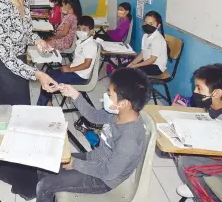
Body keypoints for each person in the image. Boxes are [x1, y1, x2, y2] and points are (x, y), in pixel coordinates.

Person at [0, 0, 58, 199]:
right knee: (14, 123)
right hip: (2, 68)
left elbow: (25, 32)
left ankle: (10, 172)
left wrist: (38, 40)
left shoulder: (22, 1)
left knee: (19, 119)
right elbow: (5, 56)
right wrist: (37, 74)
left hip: (16, 65)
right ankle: (22, 180)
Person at [36, 67, 150, 202]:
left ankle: (47, 192)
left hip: (104, 179)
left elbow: (109, 172)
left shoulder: (129, 139)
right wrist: (74, 93)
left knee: (44, 186)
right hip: (95, 159)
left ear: (123, 103)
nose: (105, 98)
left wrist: (76, 164)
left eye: (110, 94)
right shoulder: (118, 112)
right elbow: (94, 116)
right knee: (46, 165)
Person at [176, 63, 222, 202]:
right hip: (220, 155)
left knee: (187, 163)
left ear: (216, 93)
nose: (194, 91)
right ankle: (196, 184)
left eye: (199, 88)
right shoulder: (214, 106)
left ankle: (207, 198)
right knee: (180, 151)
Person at [37, 16, 97, 106]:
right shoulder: (81, 41)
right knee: (47, 74)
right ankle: (48, 102)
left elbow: (86, 65)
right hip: (75, 72)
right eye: (79, 28)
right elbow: (78, 60)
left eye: (84, 29)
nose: (80, 32)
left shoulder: (90, 44)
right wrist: (69, 66)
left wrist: (69, 69)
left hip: (80, 77)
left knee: (49, 81)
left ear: (91, 31)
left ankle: (42, 106)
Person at [127, 11, 168, 76]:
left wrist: (136, 66)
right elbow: (142, 53)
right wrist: (133, 63)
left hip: (156, 67)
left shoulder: (157, 39)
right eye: (146, 23)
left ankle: (135, 86)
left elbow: (152, 60)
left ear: (158, 25)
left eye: (151, 24)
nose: (147, 25)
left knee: (132, 73)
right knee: (124, 67)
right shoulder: (145, 35)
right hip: (147, 62)